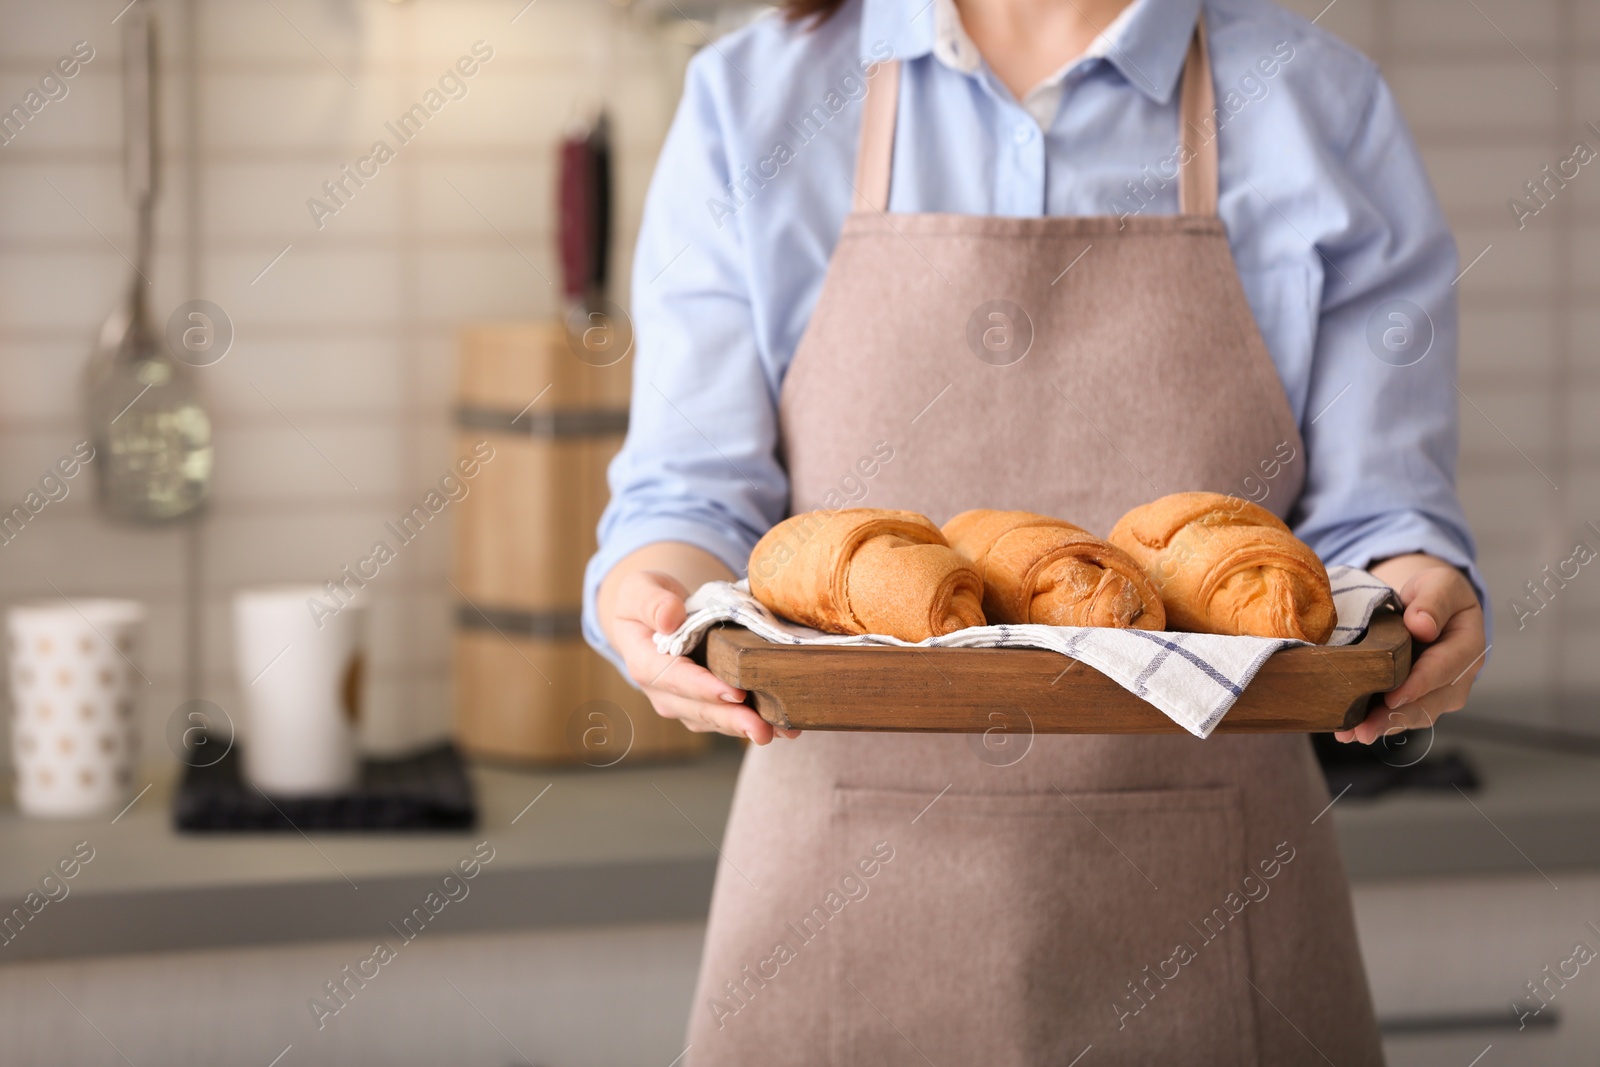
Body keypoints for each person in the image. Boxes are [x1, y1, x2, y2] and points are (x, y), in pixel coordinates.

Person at [584, 0, 1489, 1061]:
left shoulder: (1313, 101)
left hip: (1222, 910)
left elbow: (1376, 520)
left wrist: (1419, 587)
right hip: (831, 907)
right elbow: (692, 495)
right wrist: (651, 587)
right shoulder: (755, 100)